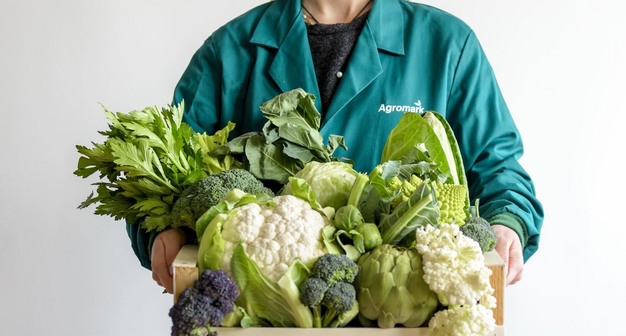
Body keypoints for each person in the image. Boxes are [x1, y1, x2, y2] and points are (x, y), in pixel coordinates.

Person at [128, 0, 544, 294]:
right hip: (262, 308)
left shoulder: (448, 46)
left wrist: (507, 221)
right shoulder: (229, 50)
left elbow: (498, 167)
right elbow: (167, 169)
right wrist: (163, 230)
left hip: (405, 311)